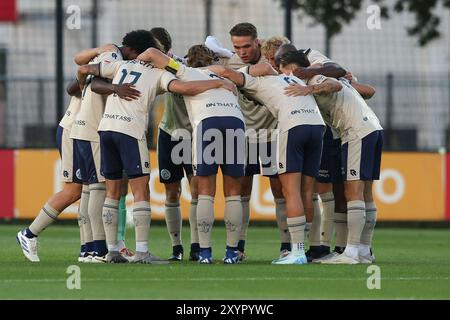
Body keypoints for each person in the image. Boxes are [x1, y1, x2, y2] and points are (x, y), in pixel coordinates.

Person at [78, 42, 237, 264]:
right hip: (131, 131)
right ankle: (142, 252)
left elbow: (84, 70)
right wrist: (219, 83)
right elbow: (184, 88)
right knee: (141, 189)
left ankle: (113, 250)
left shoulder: (119, 65)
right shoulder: (160, 73)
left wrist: (113, 87)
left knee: (112, 190)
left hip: (106, 129)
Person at [16, 48, 140, 262]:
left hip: (76, 128)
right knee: (79, 189)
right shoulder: (111, 62)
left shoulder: (102, 67)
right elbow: (78, 77)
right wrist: (102, 66)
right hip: (75, 129)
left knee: (85, 188)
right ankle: (30, 233)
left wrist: (91, 70)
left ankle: (88, 249)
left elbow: (72, 85)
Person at [137, 45, 245, 264]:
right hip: (235, 122)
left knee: (205, 191)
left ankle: (204, 252)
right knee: (233, 193)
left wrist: (133, 62)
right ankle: (232, 252)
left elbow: (150, 53)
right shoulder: (226, 74)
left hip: (207, 123)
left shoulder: (184, 71)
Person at [279, 50, 382, 264]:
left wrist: (308, 88)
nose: (286, 78)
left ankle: (352, 252)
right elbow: (363, 90)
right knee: (365, 193)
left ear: (295, 69)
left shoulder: (314, 78)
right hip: (370, 128)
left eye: (286, 72)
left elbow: (333, 84)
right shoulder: (315, 78)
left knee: (353, 191)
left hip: (357, 131)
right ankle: (363, 250)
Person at [206, 23, 289, 260]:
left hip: (273, 134)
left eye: (246, 46)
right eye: (236, 47)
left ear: (257, 42)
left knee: (280, 190)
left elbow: (266, 69)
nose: (242, 51)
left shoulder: (272, 60)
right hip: (244, 135)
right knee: (241, 191)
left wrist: (229, 60)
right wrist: (223, 54)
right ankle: (238, 247)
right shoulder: (230, 61)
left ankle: (286, 246)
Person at [150, 27, 199, 261]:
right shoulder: (152, 68)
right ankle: (177, 247)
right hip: (169, 133)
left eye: (156, 48)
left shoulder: (179, 66)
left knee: (198, 190)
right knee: (172, 191)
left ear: (167, 50)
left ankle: (198, 246)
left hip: (193, 135)